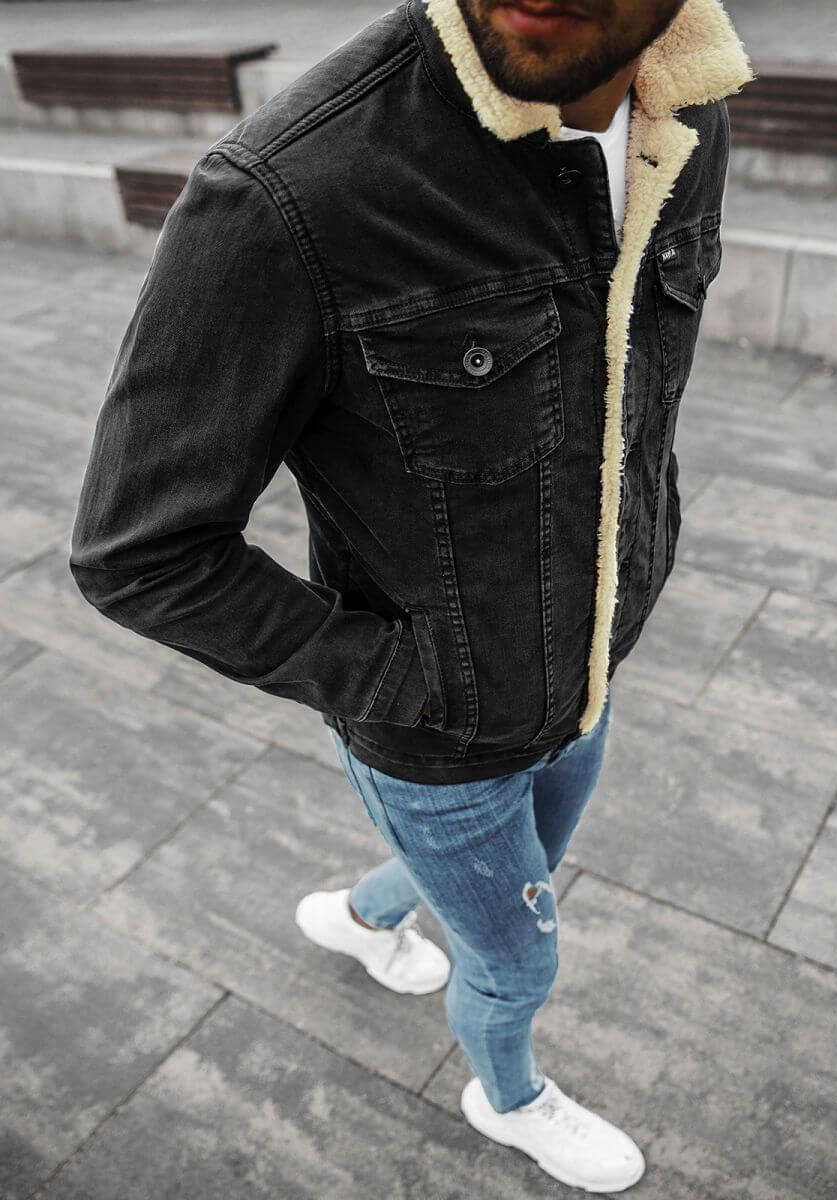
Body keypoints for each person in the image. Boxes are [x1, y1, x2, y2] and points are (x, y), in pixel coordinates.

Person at [69, 0, 752, 1189]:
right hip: (437, 739)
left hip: (589, 672)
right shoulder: (289, 193)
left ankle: (363, 916)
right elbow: (138, 549)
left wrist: (644, 554)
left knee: (517, 872)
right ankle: (509, 1097)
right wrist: (402, 684)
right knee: (517, 957)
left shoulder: (685, 108)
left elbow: (636, 394)